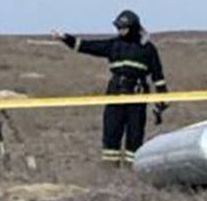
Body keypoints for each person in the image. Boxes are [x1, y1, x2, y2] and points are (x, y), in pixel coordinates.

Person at [52, 10, 167, 164]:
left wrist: (162, 100)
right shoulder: (113, 45)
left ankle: (131, 168)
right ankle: (110, 167)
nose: (120, 31)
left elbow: (158, 76)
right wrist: (65, 38)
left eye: (123, 28)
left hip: (137, 96)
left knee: (135, 133)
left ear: (133, 27)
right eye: (118, 28)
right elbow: (87, 46)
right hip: (115, 94)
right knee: (111, 131)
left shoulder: (147, 48)